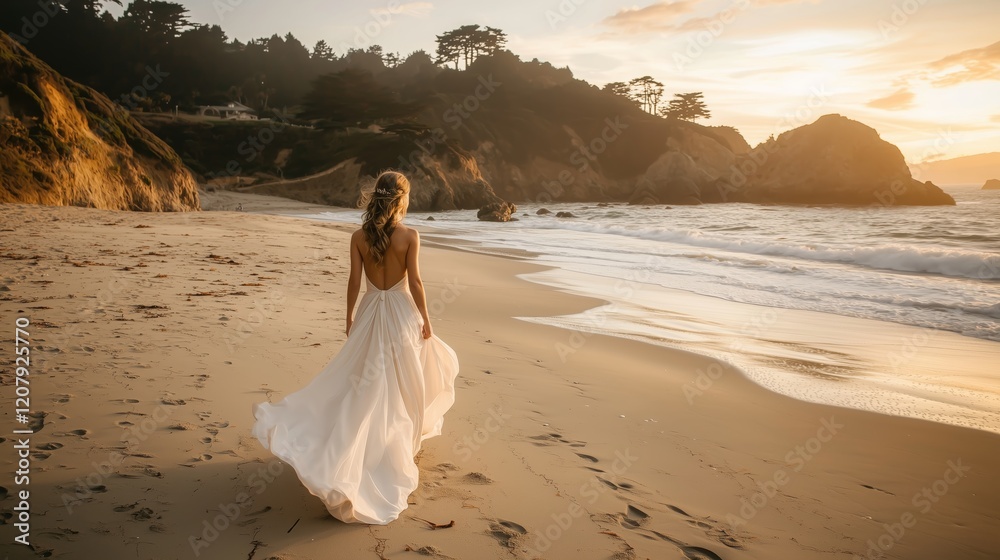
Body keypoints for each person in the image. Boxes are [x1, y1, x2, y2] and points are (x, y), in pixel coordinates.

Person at [251, 171, 459, 524]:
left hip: (370, 310)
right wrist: (427, 318)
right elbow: (417, 282)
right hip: (400, 312)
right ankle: (396, 444)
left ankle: (364, 442)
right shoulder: (409, 236)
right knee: (403, 379)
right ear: (402, 199)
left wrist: (349, 317)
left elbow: (353, 281)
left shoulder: (359, 237)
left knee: (363, 379)